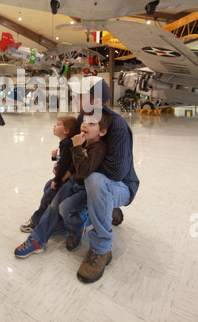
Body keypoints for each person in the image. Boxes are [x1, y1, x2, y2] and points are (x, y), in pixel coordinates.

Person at [14, 111, 113, 258]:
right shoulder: (83, 141)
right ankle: (37, 240)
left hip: (84, 189)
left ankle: (77, 228)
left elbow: (84, 170)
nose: (85, 125)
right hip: (72, 181)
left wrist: (77, 147)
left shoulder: (99, 148)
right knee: (54, 205)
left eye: (92, 123)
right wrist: (63, 169)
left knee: (64, 208)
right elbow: (73, 162)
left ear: (102, 132)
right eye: (85, 122)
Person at [72, 78, 140, 283]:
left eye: (80, 95)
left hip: (122, 186)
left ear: (97, 102)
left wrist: (85, 165)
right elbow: (77, 151)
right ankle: (105, 208)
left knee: (94, 180)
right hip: (97, 177)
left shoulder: (117, 126)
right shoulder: (81, 119)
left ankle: (102, 247)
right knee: (79, 178)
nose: (75, 98)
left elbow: (117, 172)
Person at [20, 115, 77, 234]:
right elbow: (63, 161)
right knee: (47, 188)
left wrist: (56, 181)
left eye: (58, 124)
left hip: (63, 181)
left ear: (66, 131)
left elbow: (62, 166)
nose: (54, 126)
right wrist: (54, 157)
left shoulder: (66, 144)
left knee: (47, 197)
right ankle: (45, 217)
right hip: (62, 178)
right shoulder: (64, 143)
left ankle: (35, 221)